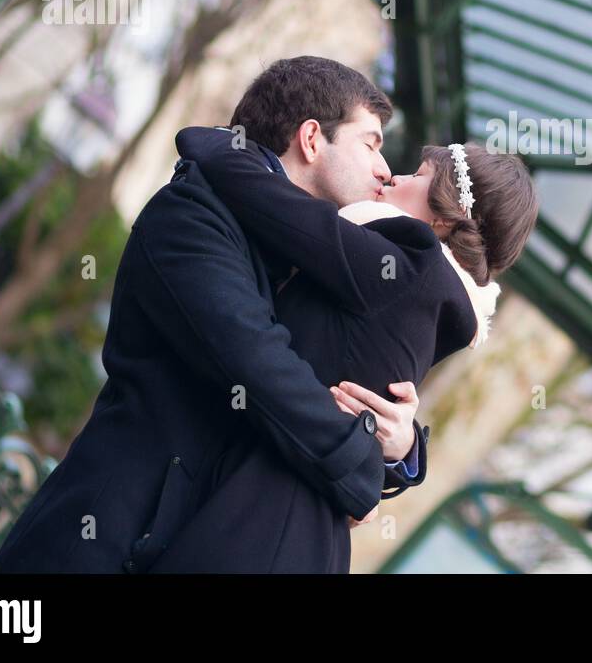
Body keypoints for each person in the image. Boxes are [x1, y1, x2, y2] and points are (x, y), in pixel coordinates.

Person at [0, 58, 431, 573]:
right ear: (312, 139)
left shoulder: (296, 259)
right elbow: (257, 362)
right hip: (97, 542)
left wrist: (400, 449)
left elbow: (331, 370)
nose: (384, 169)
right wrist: (360, 470)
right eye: (371, 144)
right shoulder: (191, 215)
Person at [147, 126, 538, 572]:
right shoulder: (429, 298)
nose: (395, 177)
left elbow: (270, 202)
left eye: (419, 175)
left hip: (258, 526)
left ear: (444, 216)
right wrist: (404, 453)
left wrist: (217, 138)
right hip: (298, 535)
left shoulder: (412, 263)